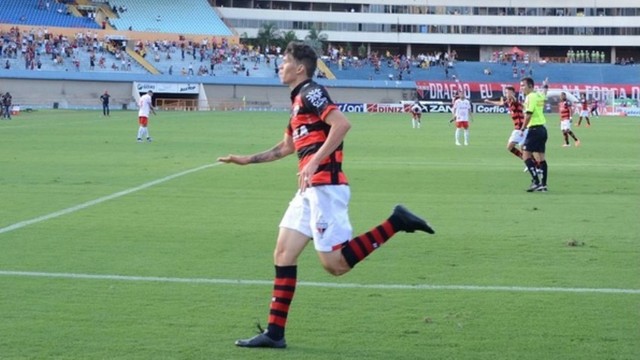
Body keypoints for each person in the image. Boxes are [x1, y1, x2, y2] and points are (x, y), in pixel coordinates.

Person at [217, 42, 435, 349]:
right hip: (308, 190)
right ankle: (275, 333)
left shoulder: (311, 92)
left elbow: (342, 124)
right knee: (283, 254)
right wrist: (246, 159)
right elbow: (286, 147)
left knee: (335, 265)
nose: (280, 66)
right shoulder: (296, 102)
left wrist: (316, 160)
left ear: (300, 68)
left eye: (284, 62)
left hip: (326, 187)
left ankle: (396, 222)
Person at [520, 77, 549, 192]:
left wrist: (522, 128)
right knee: (541, 158)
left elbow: (528, 114)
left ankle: (536, 181)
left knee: (525, 155)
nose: (521, 88)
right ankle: (544, 184)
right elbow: (544, 94)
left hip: (534, 130)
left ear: (530, 86)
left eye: (523, 85)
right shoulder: (538, 95)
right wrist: (545, 86)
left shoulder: (530, 97)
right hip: (542, 130)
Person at [484, 86, 526, 160]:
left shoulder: (514, 101)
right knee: (524, 148)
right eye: (506, 92)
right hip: (522, 128)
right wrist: (489, 101)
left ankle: (530, 162)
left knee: (510, 147)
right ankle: (532, 163)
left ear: (513, 93)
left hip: (519, 128)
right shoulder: (508, 102)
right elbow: (500, 103)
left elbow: (515, 100)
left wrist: (512, 96)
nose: (506, 94)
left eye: (508, 92)